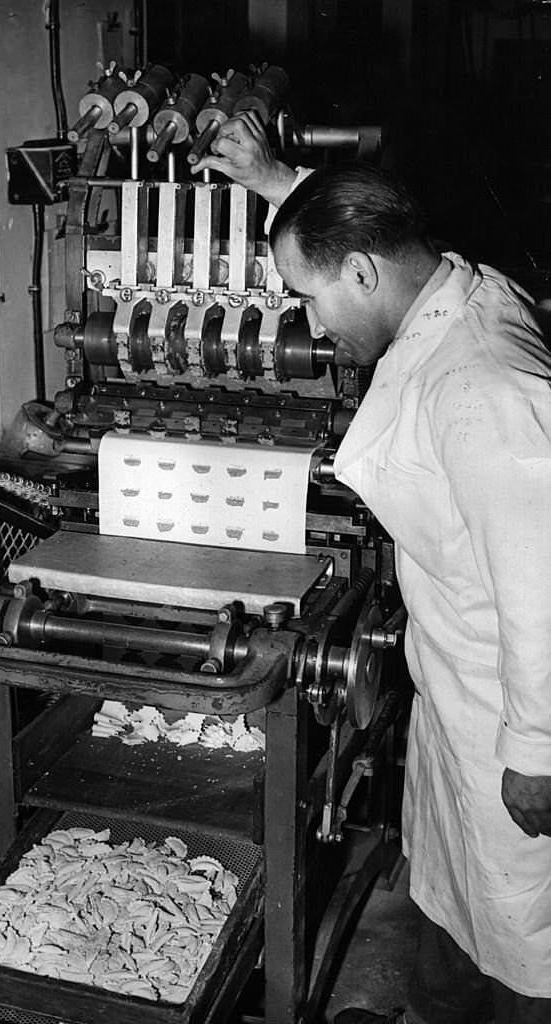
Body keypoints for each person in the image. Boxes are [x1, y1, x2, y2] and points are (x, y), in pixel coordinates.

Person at [193, 120, 551, 1023]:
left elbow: (543, 586)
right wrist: (279, 182)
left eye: (312, 300)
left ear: (359, 274)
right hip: (457, 697)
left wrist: (539, 756)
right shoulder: (449, 285)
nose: (313, 326)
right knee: (451, 903)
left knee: (525, 946)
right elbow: (364, 231)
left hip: (513, 714)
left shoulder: (486, 389)